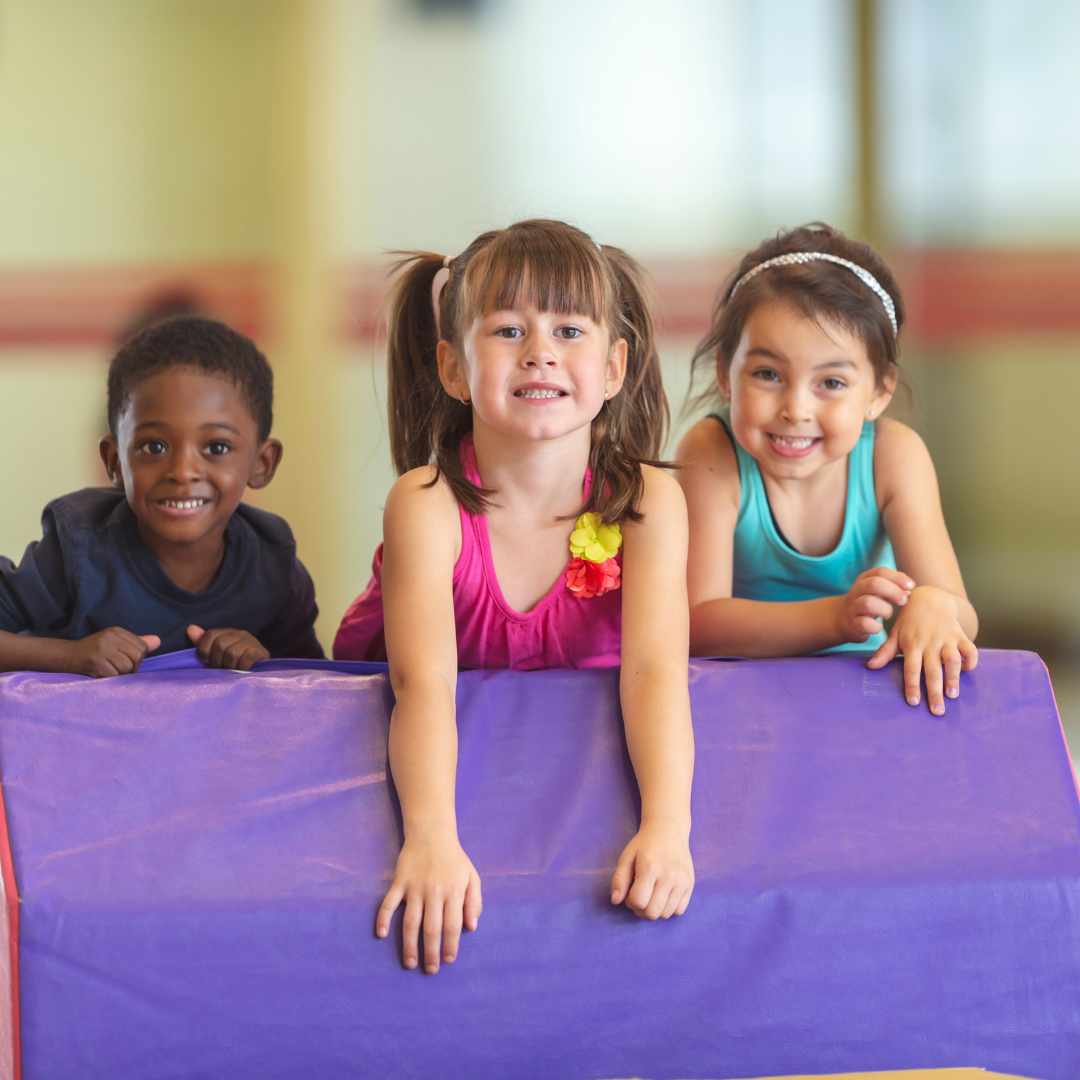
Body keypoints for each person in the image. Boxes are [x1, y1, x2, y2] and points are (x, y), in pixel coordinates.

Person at [335, 220, 695, 974]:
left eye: (569, 328)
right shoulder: (425, 504)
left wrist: (667, 826)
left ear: (615, 366)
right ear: (454, 368)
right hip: (430, 738)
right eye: (507, 330)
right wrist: (430, 835)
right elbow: (423, 685)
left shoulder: (649, 503)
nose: (541, 351)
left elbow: (655, 672)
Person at [677, 223, 978, 716]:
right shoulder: (711, 452)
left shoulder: (893, 456)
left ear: (878, 393)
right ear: (724, 373)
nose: (795, 408)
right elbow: (695, 622)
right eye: (768, 374)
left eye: (831, 382)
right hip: (735, 703)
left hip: (864, 695)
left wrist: (934, 604)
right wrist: (835, 618)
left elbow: (961, 612)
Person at [0, 316, 323, 676]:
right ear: (115, 460)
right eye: (153, 446)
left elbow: (313, 686)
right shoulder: (77, 550)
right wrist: (69, 656)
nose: (183, 471)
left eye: (216, 446)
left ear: (262, 464)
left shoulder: (274, 568)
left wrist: (263, 662)